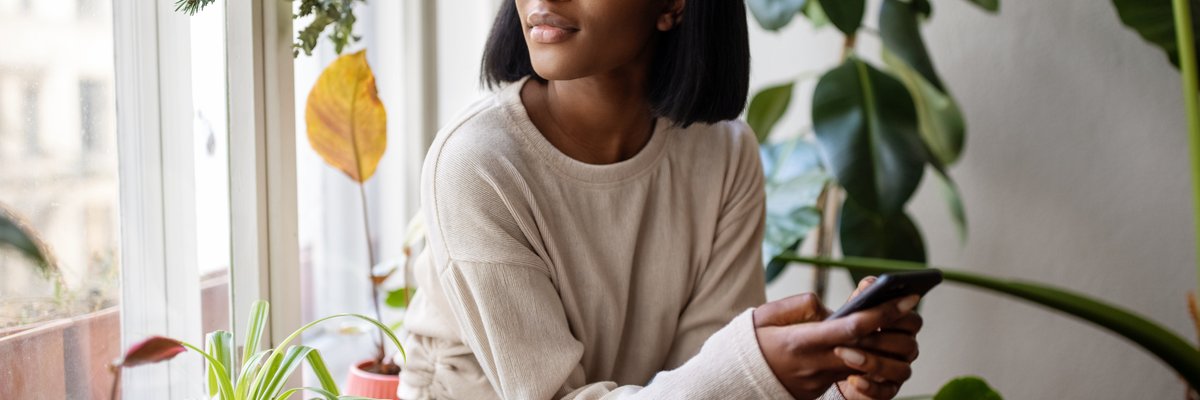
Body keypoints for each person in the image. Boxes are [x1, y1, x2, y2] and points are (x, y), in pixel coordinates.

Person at [397, 0, 923, 399]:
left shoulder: (724, 152)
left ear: (674, 5)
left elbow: (702, 375)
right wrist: (756, 371)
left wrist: (837, 377)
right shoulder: (476, 164)